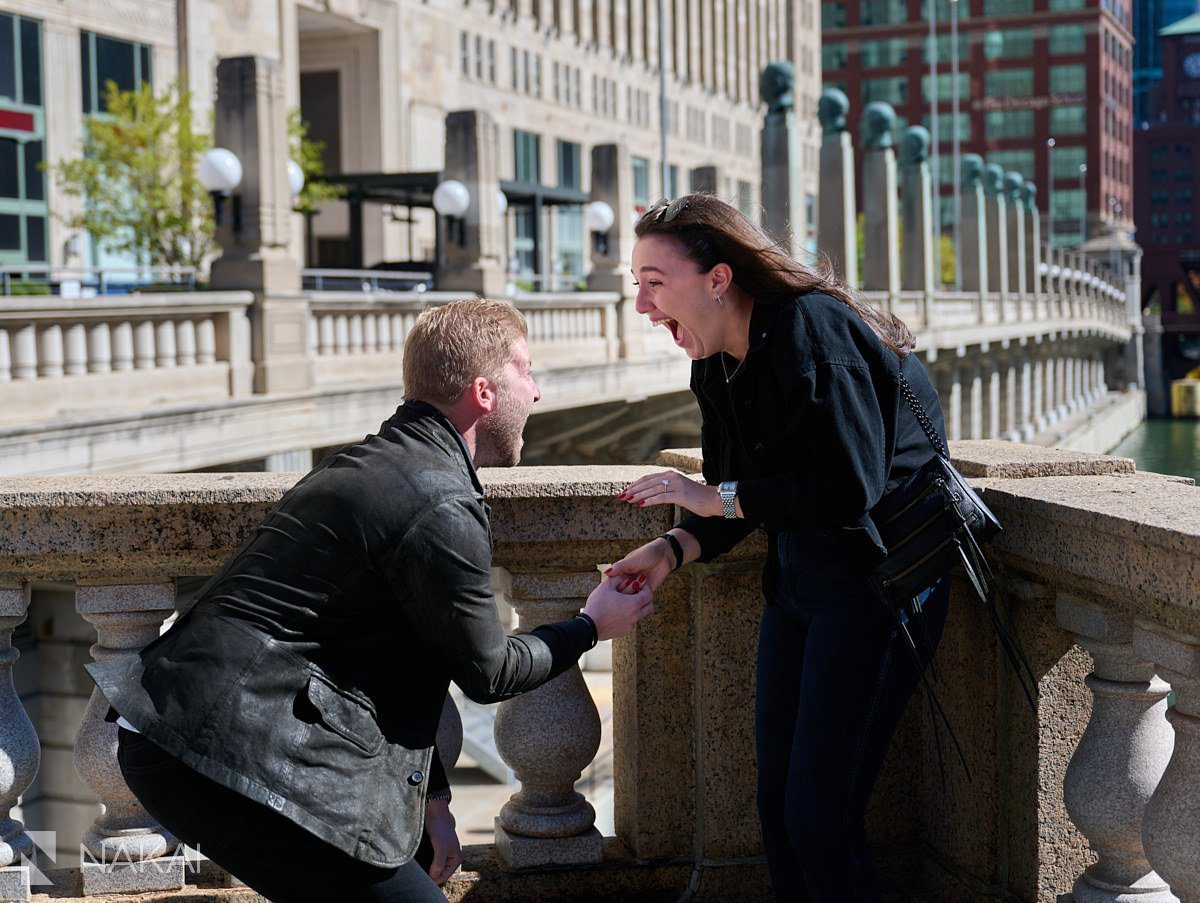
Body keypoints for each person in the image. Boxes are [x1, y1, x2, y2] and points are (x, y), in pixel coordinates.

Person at [86, 299, 655, 902]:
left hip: (184, 734)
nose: (537, 393)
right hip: (216, 753)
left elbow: (411, 659)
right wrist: (592, 624)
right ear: (484, 392)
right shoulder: (438, 502)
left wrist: (430, 799)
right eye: (527, 370)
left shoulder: (382, 463)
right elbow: (491, 672)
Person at [607, 195, 951, 901]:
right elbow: (741, 495)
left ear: (718, 278)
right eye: (637, 284)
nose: (642, 305)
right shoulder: (714, 361)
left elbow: (847, 484)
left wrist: (711, 498)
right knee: (778, 811)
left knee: (819, 818)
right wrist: (674, 546)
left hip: (877, 582)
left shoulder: (812, 328)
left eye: (653, 281)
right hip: (800, 579)